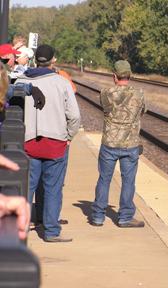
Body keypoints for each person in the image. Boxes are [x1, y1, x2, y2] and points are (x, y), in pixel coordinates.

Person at [15, 44, 81, 242]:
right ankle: (51, 230)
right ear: (53, 60)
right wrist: (69, 136)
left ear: (35, 59)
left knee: (27, 188)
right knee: (53, 188)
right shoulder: (61, 83)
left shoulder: (20, 80)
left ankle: (21, 228)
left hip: (27, 143)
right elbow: (75, 116)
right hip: (56, 143)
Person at [91, 60, 146, 228]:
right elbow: (142, 111)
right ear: (129, 75)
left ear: (114, 76)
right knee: (128, 181)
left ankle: (98, 216)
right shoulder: (139, 93)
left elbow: (106, 109)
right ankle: (125, 217)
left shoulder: (105, 93)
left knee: (104, 179)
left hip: (109, 143)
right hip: (130, 144)